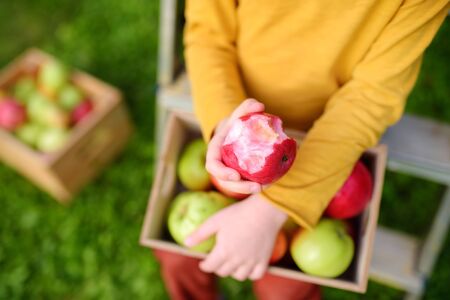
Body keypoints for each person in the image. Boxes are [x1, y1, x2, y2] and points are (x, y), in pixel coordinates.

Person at [155, 1, 449, 299]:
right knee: (178, 257)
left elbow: (372, 97)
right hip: (237, 110)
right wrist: (226, 127)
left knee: (286, 288)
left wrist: (268, 213)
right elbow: (209, 34)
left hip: (329, 137)